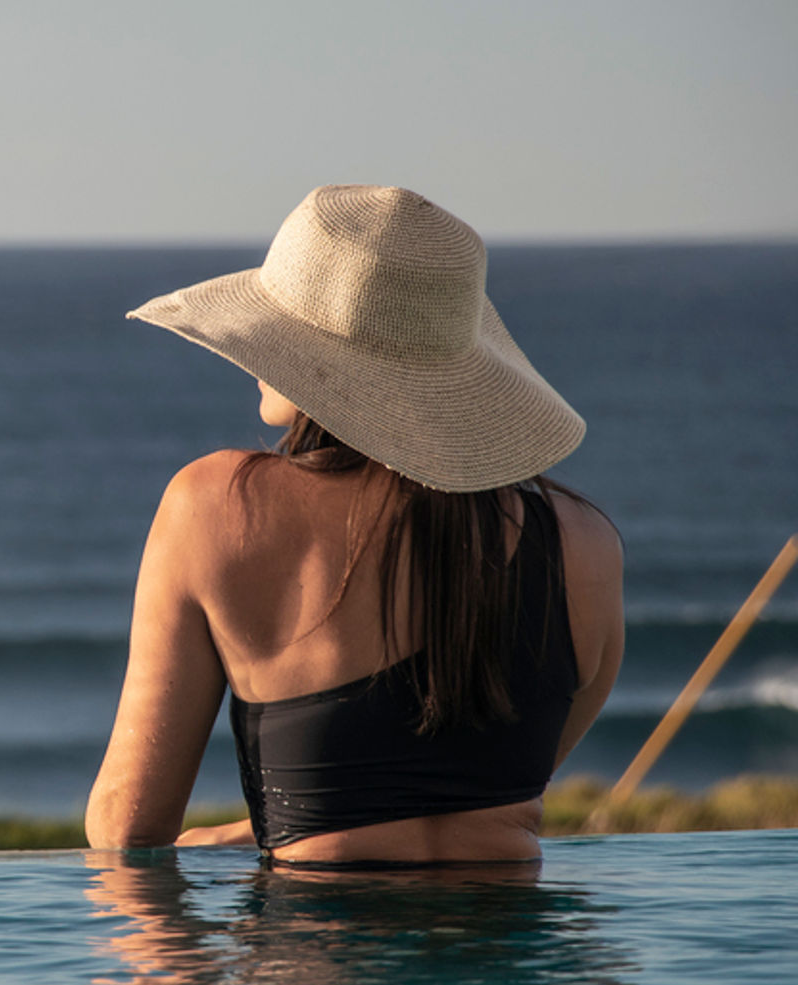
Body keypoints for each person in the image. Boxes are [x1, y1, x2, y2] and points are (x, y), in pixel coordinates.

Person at [85, 185, 624, 864]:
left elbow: (129, 832)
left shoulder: (216, 504)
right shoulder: (583, 542)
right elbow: (452, 807)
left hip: (315, 957)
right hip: (521, 956)